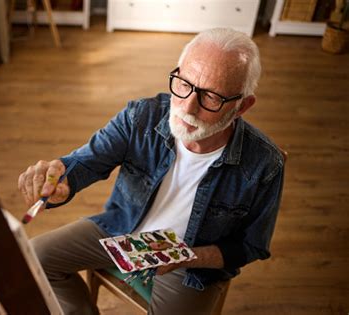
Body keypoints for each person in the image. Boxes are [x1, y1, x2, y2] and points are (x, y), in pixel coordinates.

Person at [18, 28, 284, 315]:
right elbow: (87, 161)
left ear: (242, 106)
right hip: (122, 226)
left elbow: (252, 246)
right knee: (33, 256)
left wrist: (188, 258)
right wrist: (62, 180)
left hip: (190, 262)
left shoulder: (264, 164)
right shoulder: (140, 116)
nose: (188, 107)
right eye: (184, 84)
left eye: (211, 97)